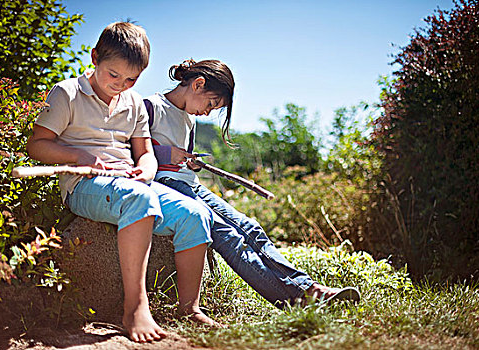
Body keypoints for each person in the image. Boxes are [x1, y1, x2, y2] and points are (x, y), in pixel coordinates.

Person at [26, 24, 221, 343]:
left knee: (196, 214)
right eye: (113, 75)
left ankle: (190, 308)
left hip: (129, 182)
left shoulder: (133, 103)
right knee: (139, 200)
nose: (120, 85)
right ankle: (135, 306)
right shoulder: (67, 93)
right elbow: (37, 145)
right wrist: (78, 156)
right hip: (84, 184)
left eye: (131, 79)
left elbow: (145, 154)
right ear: (94, 58)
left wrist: (144, 171)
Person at [144, 59, 361, 309]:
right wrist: (166, 155)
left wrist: (189, 162)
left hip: (190, 185)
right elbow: (133, 153)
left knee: (250, 227)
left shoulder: (189, 120)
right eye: (211, 103)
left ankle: (309, 289)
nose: (208, 112)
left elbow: (180, 158)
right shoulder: (151, 107)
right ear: (198, 84)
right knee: (230, 237)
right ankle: (297, 300)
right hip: (167, 188)